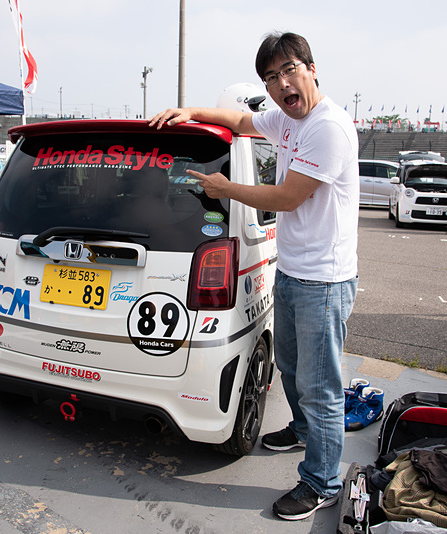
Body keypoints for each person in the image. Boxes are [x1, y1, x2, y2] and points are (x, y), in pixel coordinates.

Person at [149, 31, 359, 521]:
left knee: (321, 384)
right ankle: (303, 431)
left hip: (324, 282)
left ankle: (322, 481)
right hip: (292, 270)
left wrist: (226, 188)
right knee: (288, 366)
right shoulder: (286, 119)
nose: (281, 83)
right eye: (270, 77)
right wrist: (191, 113)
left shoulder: (328, 128)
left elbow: (287, 197)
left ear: (311, 69)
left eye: (289, 70)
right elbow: (242, 119)